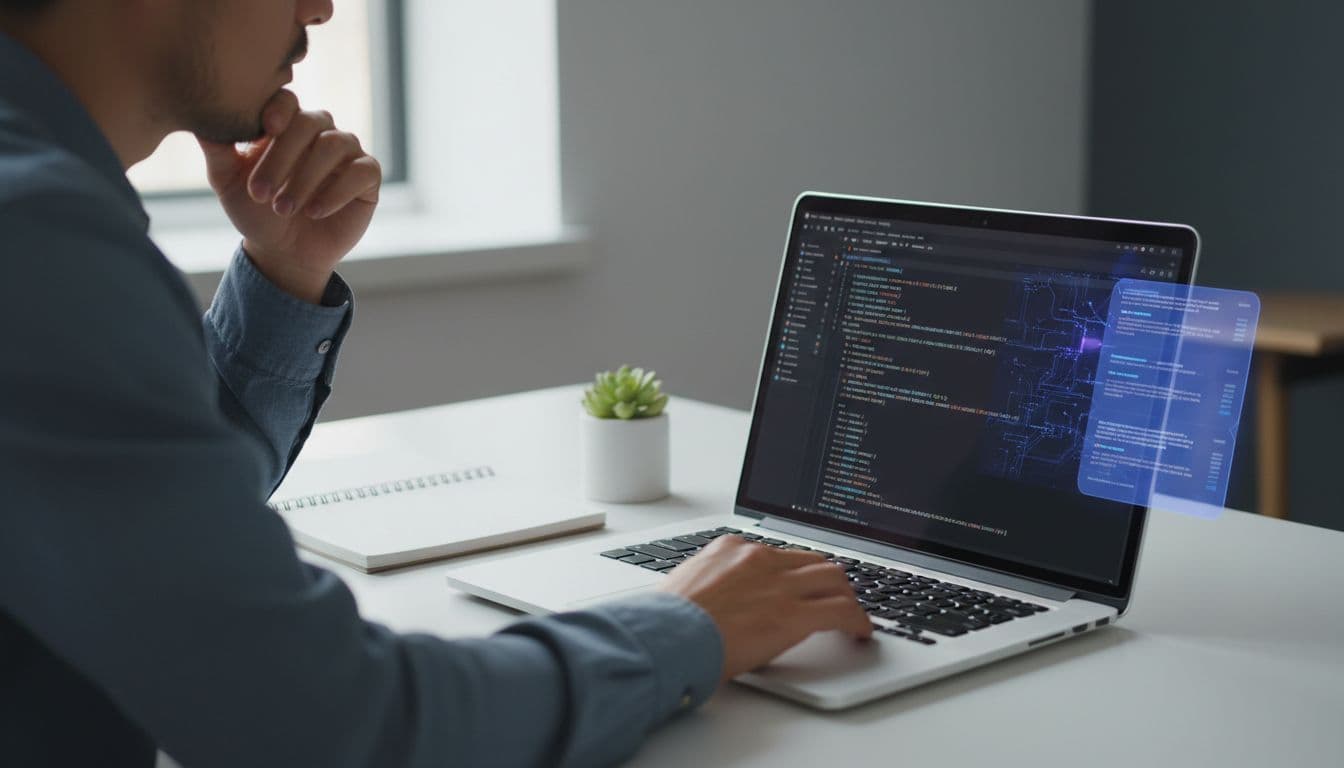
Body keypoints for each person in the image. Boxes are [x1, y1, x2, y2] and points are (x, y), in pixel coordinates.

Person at [0, 1, 872, 765]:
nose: (321, 7)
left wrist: (281, 272)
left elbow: (135, 526)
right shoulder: (36, 236)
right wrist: (688, 625)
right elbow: (344, 727)